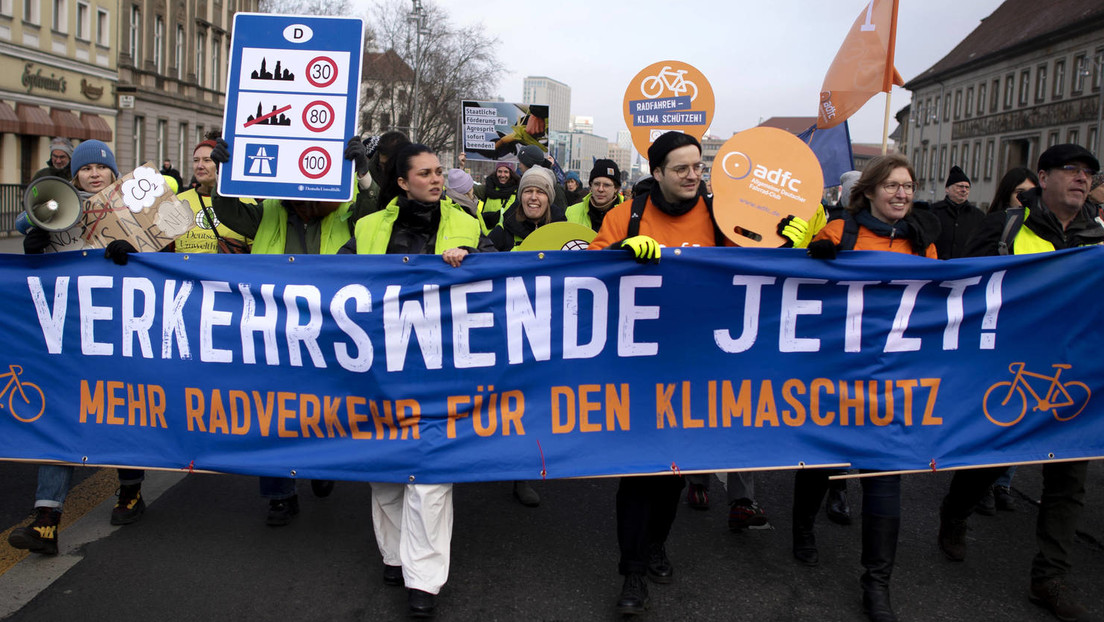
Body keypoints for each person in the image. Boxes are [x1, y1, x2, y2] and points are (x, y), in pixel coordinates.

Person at [589, 131, 806, 617]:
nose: (693, 175)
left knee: (672, 473)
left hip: (697, 367)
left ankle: (656, 545)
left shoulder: (720, 214)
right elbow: (587, 272)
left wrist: (790, 248)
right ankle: (633, 572)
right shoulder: (625, 215)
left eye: (697, 167)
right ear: (657, 173)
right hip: (637, 365)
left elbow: (755, 270)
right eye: (682, 168)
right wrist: (622, 249)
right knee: (637, 474)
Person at [936, 144, 1102, 622]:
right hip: (1011, 367)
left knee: (1068, 481)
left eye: (1089, 172)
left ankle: (1049, 577)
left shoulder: (1097, 237)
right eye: (1072, 170)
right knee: (993, 459)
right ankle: (956, 510)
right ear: (1043, 176)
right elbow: (960, 290)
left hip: (1076, 377)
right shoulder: (1007, 227)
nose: (1082, 178)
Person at [342, 143, 491, 619]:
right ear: (402, 182)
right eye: (424, 173)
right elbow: (331, 280)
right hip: (380, 368)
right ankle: (395, 556)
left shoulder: (467, 222)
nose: (435, 178)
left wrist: (472, 257)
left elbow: (500, 274)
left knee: (430, 476)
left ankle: (423, 579)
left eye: (439, 171)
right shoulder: (366, 228)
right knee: (384, 471)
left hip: (444, 368)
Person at [210, 136, 378, 525]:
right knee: (272, 411)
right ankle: (279, 495)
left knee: (327, 406)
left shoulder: (344, 212)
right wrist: (226, 172)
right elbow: (230, 211)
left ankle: (322, 467)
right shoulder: (269, 209)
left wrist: (364, 175)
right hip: (274, 324)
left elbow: (373, 214)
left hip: (329, 325)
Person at [806, 153, 939, 622]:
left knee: (884, 477)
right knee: (820, 460)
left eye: (909, 185)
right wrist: (810, 258)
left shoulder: (923, 241)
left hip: (891, 380)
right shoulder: (839, 232)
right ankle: (803, 529)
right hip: (836, 373)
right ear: (871, 191)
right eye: (892, 186)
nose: (902, 194)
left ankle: (876, 583)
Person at [9, 140, 148, 557]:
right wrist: (35, 241)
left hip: (117, 331)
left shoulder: (132, 213)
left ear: (112, 174)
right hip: (69, 336)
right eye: (86, 169)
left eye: (101, 169)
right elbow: (24, 219)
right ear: (75, 176)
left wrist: (134, 254)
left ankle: (130, 493)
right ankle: (46, 520)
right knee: (62, 418)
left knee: (123, 411)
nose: (93, 174)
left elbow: (165, 259)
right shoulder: (60, 206)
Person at [173, 138, 251, 254]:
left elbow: (255, 251)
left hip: (227, 271)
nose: (200, 165)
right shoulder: (178, 201)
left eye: (207, 160)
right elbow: (161, 249)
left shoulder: (243, 201)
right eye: (195, 160)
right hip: (185, 271)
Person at [489, 166, 564, 251]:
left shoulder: (562, 232)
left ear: (549, 199)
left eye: (540, 192)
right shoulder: (503, 231)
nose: (533, 197)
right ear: (521, 197)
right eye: (528, 191)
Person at [928, 165, 985, 259]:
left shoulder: (978, 216)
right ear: (947, 189)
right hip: (937, 265)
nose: (964, 190)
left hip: (965, 268)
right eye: (960, 186)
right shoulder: (933, 212)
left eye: (967, 187)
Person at [566, 159, 623, 233]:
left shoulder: (627, 215)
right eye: (596, 184)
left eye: (606, 185)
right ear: (591, 186)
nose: (600, 189)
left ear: (616, 188)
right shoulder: (571, 212)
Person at [516, 145, 567, 210]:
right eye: (528, 191)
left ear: (528, 164)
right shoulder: (522, 183)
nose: (519, 166)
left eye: (540, 192)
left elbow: (561, 214)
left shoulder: (555, 188)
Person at [477, 162, 519, 233]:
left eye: (506, 172)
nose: (502, 175)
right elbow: (465, 188)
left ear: (511, 174)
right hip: (486, 236)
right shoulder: (487, 189)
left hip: (507, 234)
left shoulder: (517, 191)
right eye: (499, 171)